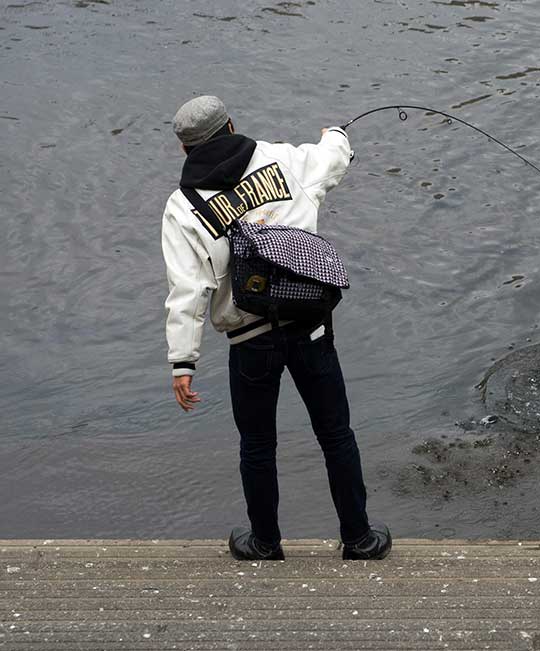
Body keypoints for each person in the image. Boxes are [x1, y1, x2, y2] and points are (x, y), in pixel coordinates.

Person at [161, 95, 391, 562]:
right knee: (336, 434)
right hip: (311, 326)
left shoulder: (183, 206)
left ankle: (265, 542)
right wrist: (338, 136)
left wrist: (183, 362)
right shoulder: (284, 159)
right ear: (231, 126)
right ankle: (359, 539)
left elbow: (188, 291)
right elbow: (332, 160)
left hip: (250, 342)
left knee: (258, 444)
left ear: (185, 150)